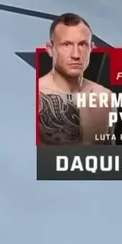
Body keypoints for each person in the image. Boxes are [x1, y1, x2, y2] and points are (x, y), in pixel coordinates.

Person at [37, 13, 113, 146]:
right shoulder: (36, 95)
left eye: (82, 45)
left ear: (91, 49)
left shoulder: (104, 95)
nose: (76, 55)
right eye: (66, 45)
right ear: (50, 49)